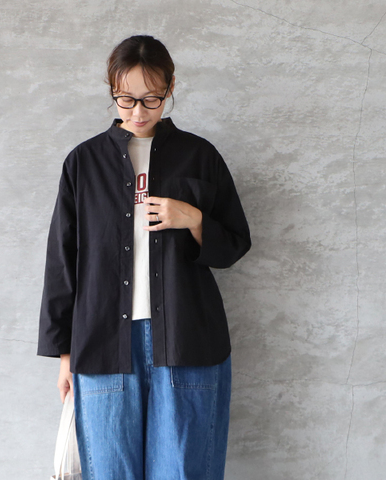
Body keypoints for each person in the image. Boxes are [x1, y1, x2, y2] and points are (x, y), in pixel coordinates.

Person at [38, 35, 251, 480]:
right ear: (112, 90)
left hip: (187, 339)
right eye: (126, 99)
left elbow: (235, 243)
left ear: (171, 87)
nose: (138, 111)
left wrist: (192, 218)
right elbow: (62, 262)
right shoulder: (83, 163)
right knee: (110, 471)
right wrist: (64, 356)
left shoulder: (200, 156)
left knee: (182, 470)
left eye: (152, 98)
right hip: (101, 344)